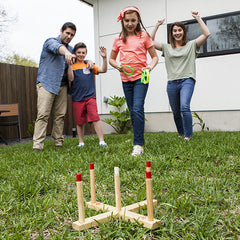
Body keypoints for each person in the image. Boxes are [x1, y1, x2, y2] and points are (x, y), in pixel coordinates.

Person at [33, 22, 93, 151]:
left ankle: (58, 143)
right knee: (43, 115)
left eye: (72, 35)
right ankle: (37, 145)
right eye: (67, 33)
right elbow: (58, 48)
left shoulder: (72, 49)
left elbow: (80, 58)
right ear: (61, 31)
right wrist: (66, 53)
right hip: (47, 84)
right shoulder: (50, 42)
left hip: (63, 86)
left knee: (60, 116)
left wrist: (90, 61)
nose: (69, 36)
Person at [151, 11, 210, 140]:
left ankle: (188, 136)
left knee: (184, 106)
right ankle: (181, 133)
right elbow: (150, 42)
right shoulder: (166, 48)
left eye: (179, 30)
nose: (177, 32)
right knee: (176, 112)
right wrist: (157, 25)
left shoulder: (191, 45)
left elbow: (207, 34)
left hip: (187, 80)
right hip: (172, 82)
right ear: (171, 34)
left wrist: (198, 18)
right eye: (174, 31)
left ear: (183, 32)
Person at [109, 6, 159, 156]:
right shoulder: (118, 39)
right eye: (127, 20)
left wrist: (150, 67)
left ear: (138, 21)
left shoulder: (144, 36)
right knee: (133, 111)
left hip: (141, 78)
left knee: (137, 108)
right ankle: (138, 140)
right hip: (126, 79)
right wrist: (118, 66)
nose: (130, 23)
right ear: (123, 21)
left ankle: (138, 144)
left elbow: (155, 56)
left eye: (133, 20)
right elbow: (111, 59)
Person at [68, 42, 108, 147]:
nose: (81, 54)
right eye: (78, 52)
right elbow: (70, 78)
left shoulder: (89, 64)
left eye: (83, 52)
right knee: (79, 122)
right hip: (77, 98)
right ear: (74, 53)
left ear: (86, 53)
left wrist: (104, 58)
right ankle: (81, 142)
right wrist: (69, 65)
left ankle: (101, 141)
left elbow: (103, 70)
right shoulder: (71, 66)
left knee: (95, 118)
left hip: (90, 97)